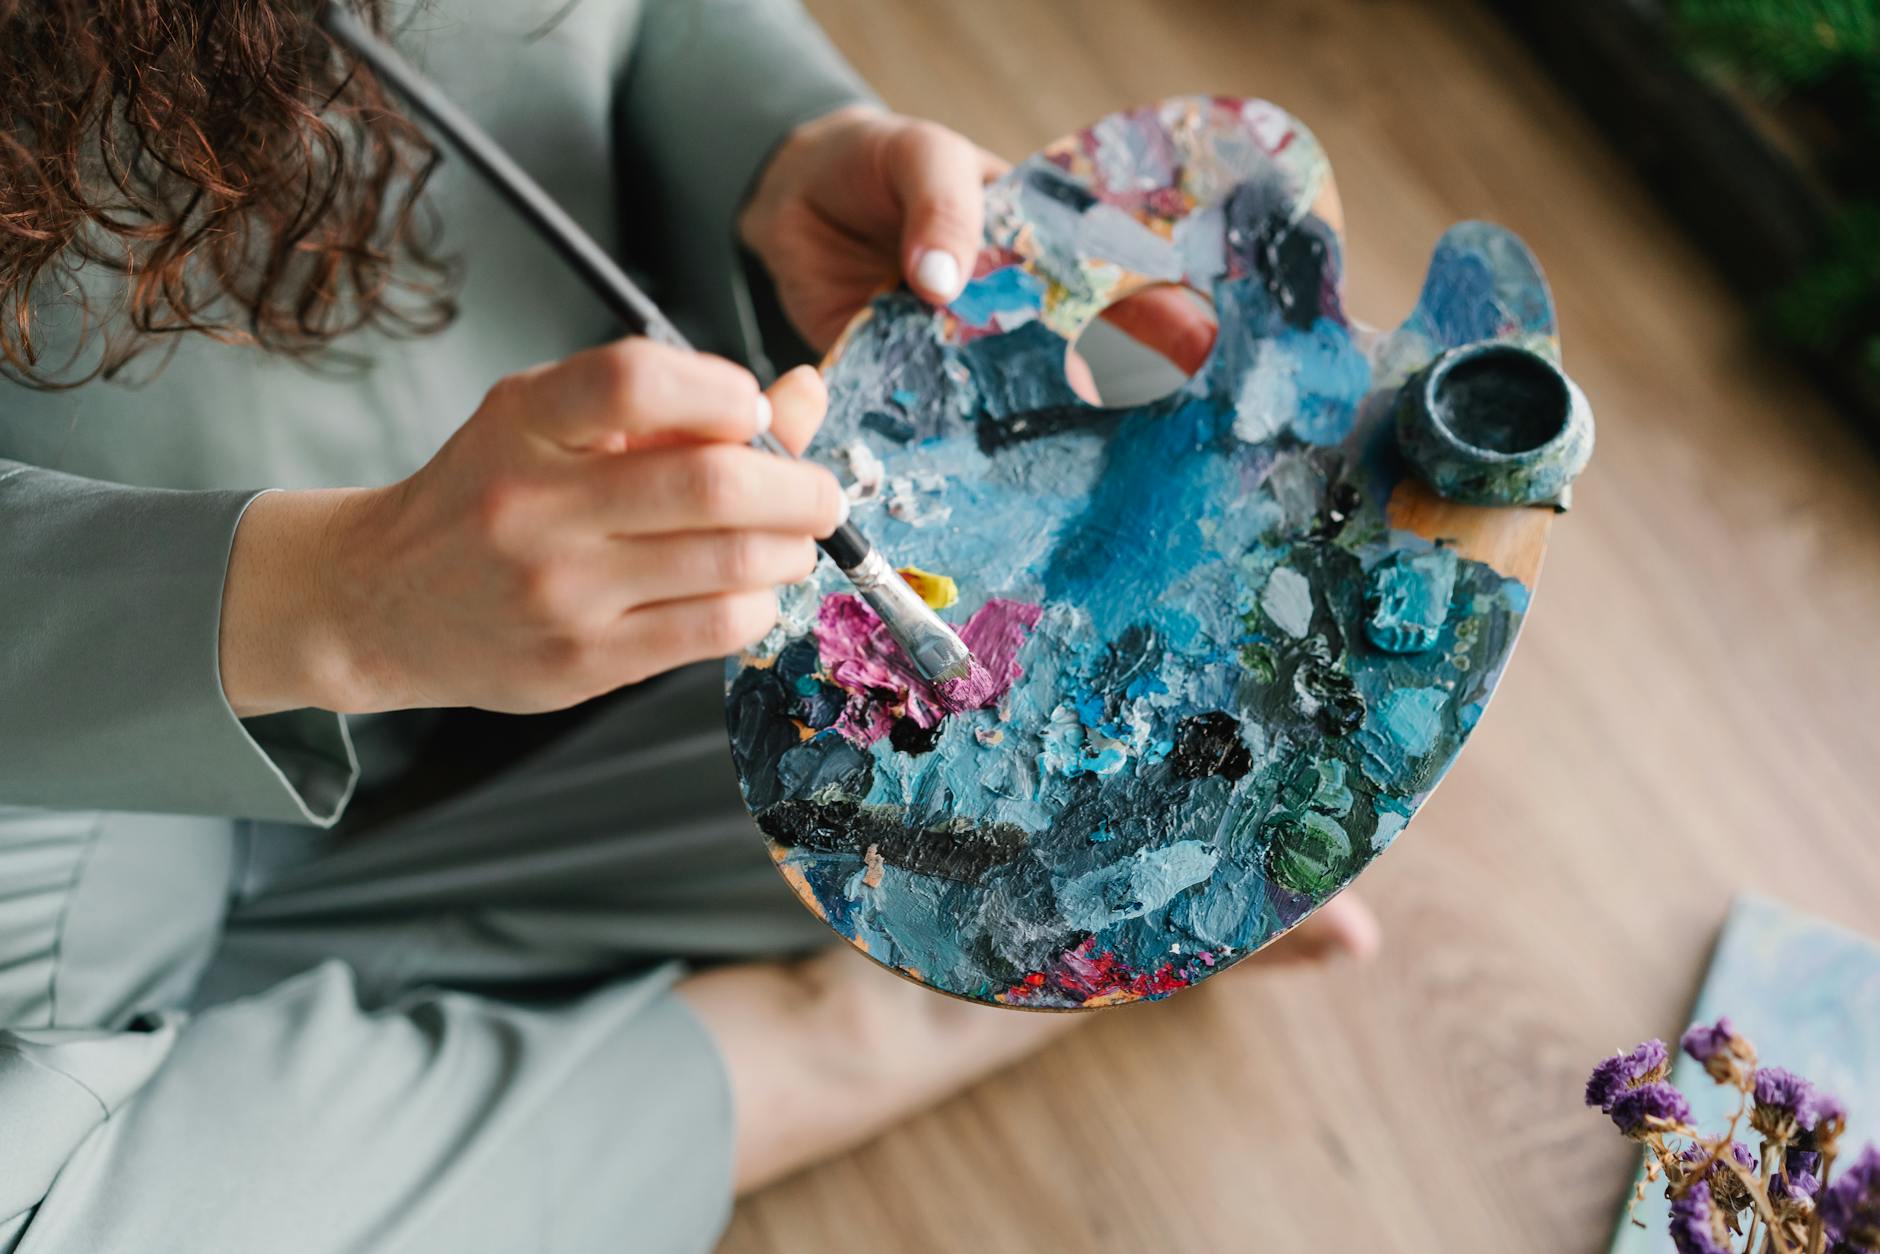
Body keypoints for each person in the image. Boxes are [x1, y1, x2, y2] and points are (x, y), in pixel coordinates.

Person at [0, 1, 1379, 1249]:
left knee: (1193, 559)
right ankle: (830, 1043)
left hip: (576, 564)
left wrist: (780, 150)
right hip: (64, 721)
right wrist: (325, 596)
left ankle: (274, 1067)